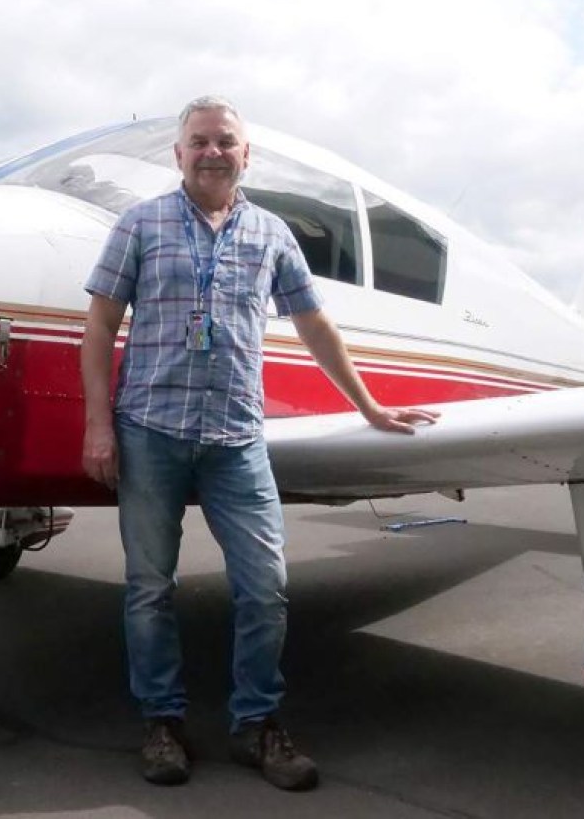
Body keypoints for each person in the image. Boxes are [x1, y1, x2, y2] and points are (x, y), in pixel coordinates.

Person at [80, 96, 438, 791]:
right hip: (149, 429)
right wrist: (98, 425)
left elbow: (313, 325)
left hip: (236, 436)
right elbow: (98, 328)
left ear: (246, 155)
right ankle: (161, 722)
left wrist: (368, 405)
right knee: (149, 588)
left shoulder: (272, 233)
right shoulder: (139, 224)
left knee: (266, 589)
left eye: (225, 141)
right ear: (177, 153)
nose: (212, 151)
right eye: (198, 141)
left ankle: (255, 724)